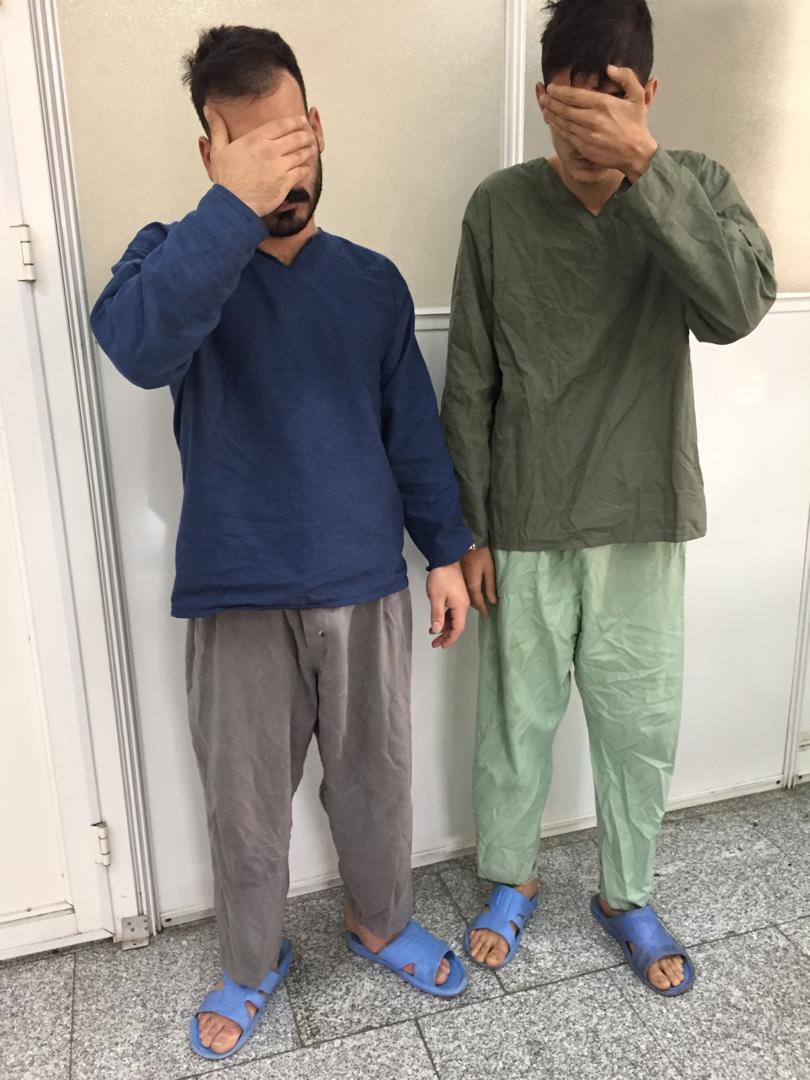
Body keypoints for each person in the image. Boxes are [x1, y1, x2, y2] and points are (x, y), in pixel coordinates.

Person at [91, 25, 473, 1061]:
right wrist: (231, 209)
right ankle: (251, 962)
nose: (282, 168)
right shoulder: (174, 258)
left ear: (319, 128)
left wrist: (444, 551)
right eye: (252, 147)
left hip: (364, 579)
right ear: (210, 153)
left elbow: (411, 431)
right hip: (238, 588)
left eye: (293, 138)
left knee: (376, 781)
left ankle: (380, 921)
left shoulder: (371, 281)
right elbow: (136, 346)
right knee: (246, 805)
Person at [441, 0, 775, 996]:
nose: (585, 135)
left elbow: (737, 307)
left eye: (611, 104)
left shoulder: (690, 184)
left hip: (642, 509)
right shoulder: (499, 207)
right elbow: (470, 377)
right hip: (527, 514)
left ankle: (626, 894)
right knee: (516, 722)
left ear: (647, 94)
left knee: (639, 724)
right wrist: (468, 529)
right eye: (569, 110)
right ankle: (511, 877)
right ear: (542, 98)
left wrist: (646, 167)